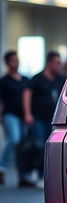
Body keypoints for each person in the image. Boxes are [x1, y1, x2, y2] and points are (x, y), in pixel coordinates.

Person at [23, 51, 65, 186]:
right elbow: (27, 94)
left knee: (51, 148)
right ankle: (37, 172)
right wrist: (27, 113)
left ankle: (46, 176)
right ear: (50, 63)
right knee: (40, 145)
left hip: (54, 120)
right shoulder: (37, 79)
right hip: (38, 118)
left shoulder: (61, 79)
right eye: (57, 63)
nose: (59, 65)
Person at [0, 51, 30, 186]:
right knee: (15, 138)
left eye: (16, 60)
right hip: (9, 115)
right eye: (12, 60)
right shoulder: (3, 81)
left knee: (22, 147)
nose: (15, 63)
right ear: (7, 63)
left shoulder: (25, 80)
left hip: (23, 116)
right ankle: (2, 167)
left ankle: (22, 176)